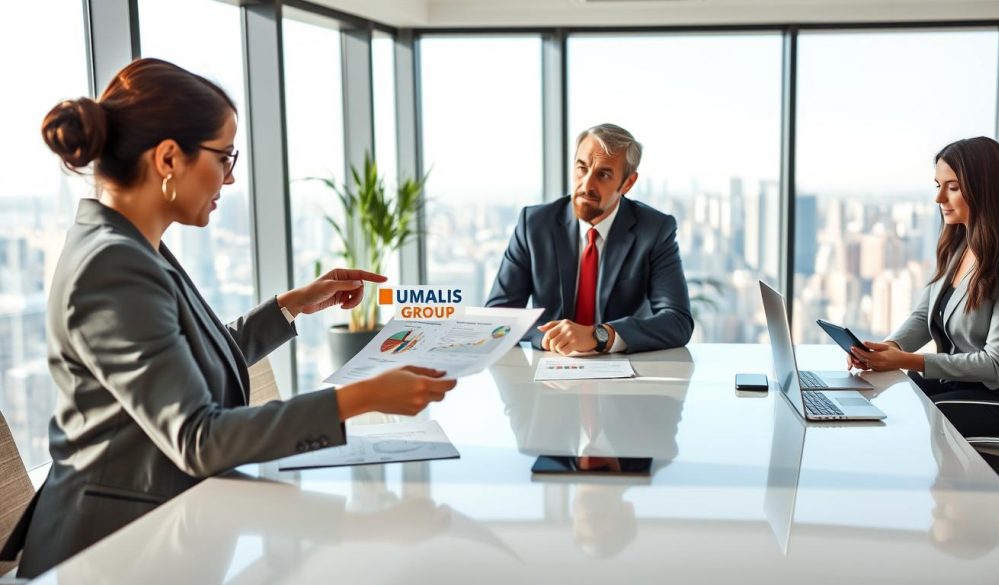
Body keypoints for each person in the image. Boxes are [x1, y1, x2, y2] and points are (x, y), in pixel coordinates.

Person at [0, 58, 456, 578]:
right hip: (113, 552)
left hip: (164, 527)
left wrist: (292, 305)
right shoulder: (112, 263)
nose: (232, 176)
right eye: (224, 156)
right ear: (169, 158)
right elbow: (199, 438)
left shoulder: (131, 246)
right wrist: (363, 397)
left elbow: (185, 361)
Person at [848, 137, 999, 438]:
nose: (939, 198)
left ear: (985, 189)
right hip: (957, 382)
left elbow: (996, 364)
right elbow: (924, 315)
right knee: (880, 397)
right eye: (937, 185)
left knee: (908, 425)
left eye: (952, 187)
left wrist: (906, 360)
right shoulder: (959, 241)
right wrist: (890, 348)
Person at [485, 123, 693, 355]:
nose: (586, 185)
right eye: (581, 168)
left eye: (603, 174)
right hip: (547, 372)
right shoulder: (534, 224)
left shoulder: (654, 230)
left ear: (627, 183)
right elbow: (498, 317)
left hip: (626, 378)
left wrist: (600, 335)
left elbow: (678, 321)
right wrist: (546, 336)